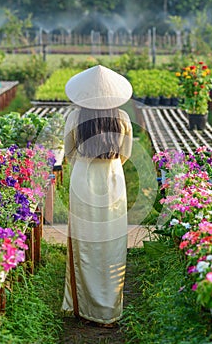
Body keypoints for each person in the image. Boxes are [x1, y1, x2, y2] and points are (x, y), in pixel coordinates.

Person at [62, 65, 133, 327]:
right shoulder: (123, 118)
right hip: (113, 179)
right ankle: (109, 311)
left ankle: (85, 307)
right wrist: (110, 165)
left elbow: (69, 152)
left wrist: (84, 165)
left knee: (85, 243)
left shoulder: (75, 117)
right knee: (111, 244)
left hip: (82, 178)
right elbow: (125, 153)